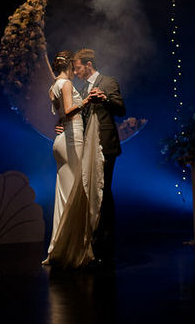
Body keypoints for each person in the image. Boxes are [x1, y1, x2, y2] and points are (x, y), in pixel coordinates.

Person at [42, 50, 104, 268]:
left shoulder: (53, 86)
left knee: (64, 196)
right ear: (68, 66)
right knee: (75, 196)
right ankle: (71, 250)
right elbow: (68, 111)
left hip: (61, 141)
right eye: (74, 67)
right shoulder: (66, 83)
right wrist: (87, 100)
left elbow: (60, 114)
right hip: (71, 140)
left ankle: (59, 247)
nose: (76, 71)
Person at [73, 48, 125, 267]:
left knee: (104, 191)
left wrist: (104, 98)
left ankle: (106, 245)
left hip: (105, 145)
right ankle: (92, 242)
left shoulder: (108, 81)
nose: (75, 72)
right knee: (92, 191)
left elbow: (121, 109)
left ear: (88, 64)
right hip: (88, 146)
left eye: (77, 67)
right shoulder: (81, 88)